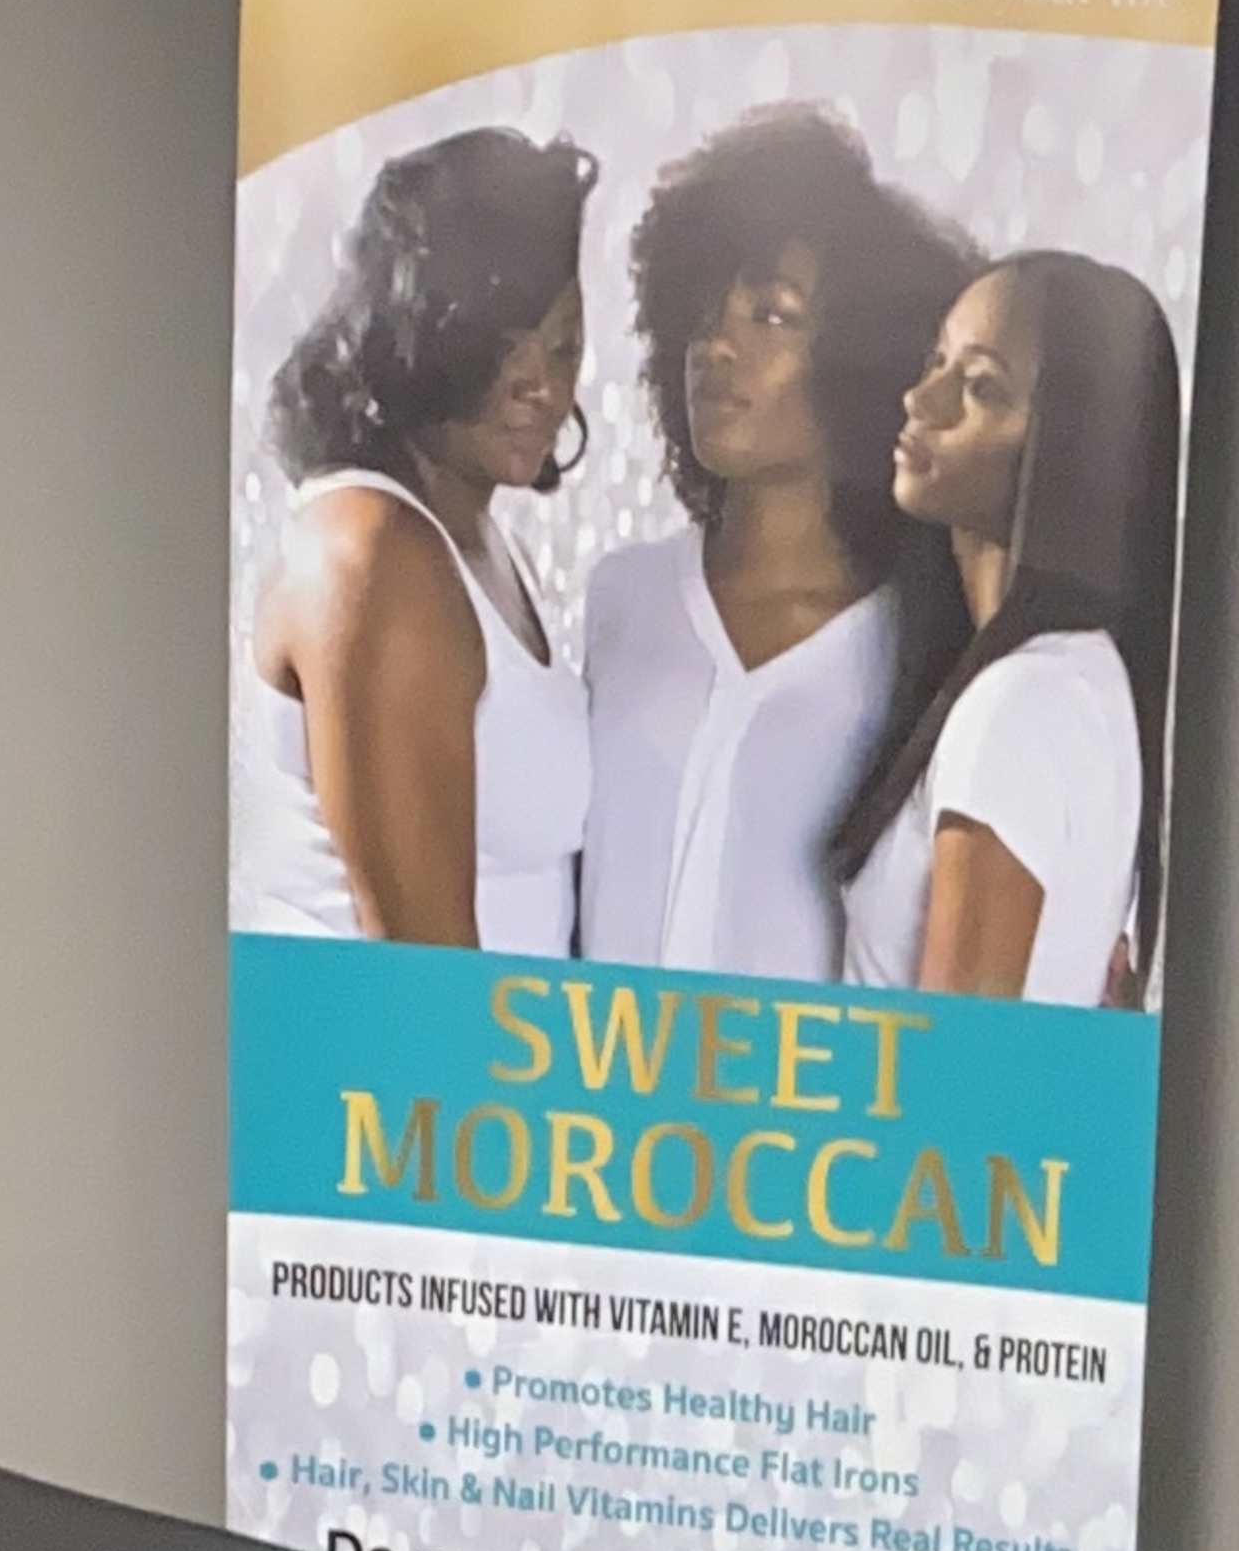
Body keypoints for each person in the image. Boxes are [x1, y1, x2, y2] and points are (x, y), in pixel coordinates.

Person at [577, 104, 974, 977]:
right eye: (702, 312)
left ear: (862, 358)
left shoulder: (919, 645)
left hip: (802, 1113)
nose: (714, 347)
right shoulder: (621, 599)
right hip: (593, 1106)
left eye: (771, 315)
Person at [237, 131, 594, 950]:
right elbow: (423, 975)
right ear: (420, 335)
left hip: (490, 1069)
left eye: (565, 342)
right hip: (390, 1074)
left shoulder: (480, 546)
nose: (542, 384)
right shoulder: (371, 553)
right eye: (502, 346)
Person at [833, 254, 1184, 1007]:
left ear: (1070, 448)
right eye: (937, 361)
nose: (920, 399)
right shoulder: (1087, 680)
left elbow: (958, 1087)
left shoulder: (1015, 707)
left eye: (980, 387)